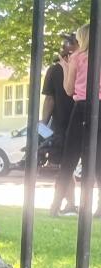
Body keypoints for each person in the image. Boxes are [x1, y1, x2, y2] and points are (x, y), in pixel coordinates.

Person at [51, 24, 101, 217]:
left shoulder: (77, 58)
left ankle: (55, 206)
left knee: (70, 158)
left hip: (81, 108)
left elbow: (69, 89)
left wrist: (64, 67)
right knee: (98, 161)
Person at [43, 34, 78, 213]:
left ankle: (56, 205)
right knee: (69, 167)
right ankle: (70, 203)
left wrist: (43, 124)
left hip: (63, 125)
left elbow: (49, 100)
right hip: (81, 121)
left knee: (65, 167)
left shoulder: (55, 70)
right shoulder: (85, 66)